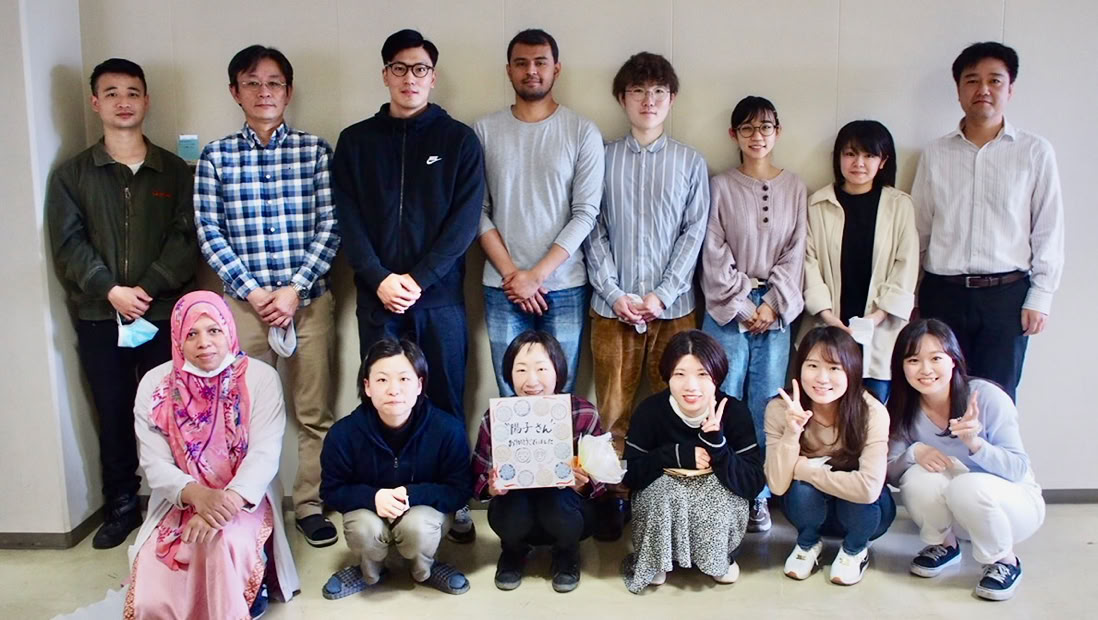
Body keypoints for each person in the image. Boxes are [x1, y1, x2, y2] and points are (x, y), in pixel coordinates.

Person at [46, 58, 197, 549]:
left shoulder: (174, 171)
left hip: (164, 314)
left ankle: (176, 502)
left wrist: (147, 288)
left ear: (146, 100)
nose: (123, 102)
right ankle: (122, 504)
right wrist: (111, 290)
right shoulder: (73, 176)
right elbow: (68, 245)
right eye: (111, 93)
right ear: (95, 103)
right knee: (112, 413)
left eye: (132, 92)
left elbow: (187, 238)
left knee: (173, 412)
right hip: (99, 315)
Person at [195, 44, 341, 547]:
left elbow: (332, 225)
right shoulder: (215, 156)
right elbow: (209, 231)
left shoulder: (315, 151)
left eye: (274, 82)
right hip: (242, 309)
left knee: (314, 413)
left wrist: (294, 289)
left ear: (289, 91)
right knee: (239, 412)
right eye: (252, 83)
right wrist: (254, 291)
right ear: (235, 92)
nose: (264, 92)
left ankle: (310, 505)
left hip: (309, 303)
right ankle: (247, 507)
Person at [332, 28, 484, 427]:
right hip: (378, 299)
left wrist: (419, 280)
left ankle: (449, 473)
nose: (409, 78)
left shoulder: (459, 141)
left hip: (440, 300)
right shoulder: (355, 142)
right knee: (383, 406)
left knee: (446, 404)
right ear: (385, 75)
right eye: (399, 68)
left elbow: (464, 224)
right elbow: (348, 220)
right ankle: (386, 472)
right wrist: (380, 278)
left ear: (433, 77)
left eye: (420, 69)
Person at [124, 291, 299, 619]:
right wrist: (197, 496)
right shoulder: (156, 384)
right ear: (178, 337)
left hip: (243, 497)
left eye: (214, 330)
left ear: (229, 330)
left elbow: (264, 453)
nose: (204, 342)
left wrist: (222, 504)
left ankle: (249, 589)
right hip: (180, 499)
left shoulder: (259, 377)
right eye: (191, 333)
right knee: (152, 585)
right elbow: (154, 462)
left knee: (220, 544)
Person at [912, 41, 1064, 401]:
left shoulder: (1034, 152)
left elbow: (1048, 228)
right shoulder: (935, 153)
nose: (983, 89)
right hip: (942, 294)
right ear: (958, 90)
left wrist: (1041, 296)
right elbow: (919, 230)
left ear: (1010, 90)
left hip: (1006, 297)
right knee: (938, 396)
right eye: (972, 80)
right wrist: (912, 296)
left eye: (994, 80)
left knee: (996, 400)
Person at [585, 51, 709, 452]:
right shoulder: (601, 157)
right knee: (611, 416)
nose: (648, 100)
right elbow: (591, 228)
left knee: (681, 410)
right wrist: (613, 293)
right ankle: (614, 485)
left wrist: (663, 294)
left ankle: (675, 480)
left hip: (675, 310)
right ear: (622, 98)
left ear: (672, 98)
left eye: (658, 91)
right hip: (612, 310)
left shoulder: (690, 162)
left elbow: (694, 233)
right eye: (637, 90)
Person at [475, 28, 604, 396]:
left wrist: (536, 276)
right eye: (521, 63)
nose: (531, 70)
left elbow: (585, 213)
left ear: (556, 69)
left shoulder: (582, 131)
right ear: (509, 70)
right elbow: (476, 211)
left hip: (564, 286)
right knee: (511, 396)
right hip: (502, 286)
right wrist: (513, 275)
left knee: (559, 396)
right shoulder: (484, 131)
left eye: (540, 62)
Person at [701, 95, 807, 533]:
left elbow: (797, 252)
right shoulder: (719, 185)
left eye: (765, 127)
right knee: (724, 398)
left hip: (776, 309)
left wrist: (771, 303)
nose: (756, 136)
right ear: (734, 135)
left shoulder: (795, 187)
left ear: (777, 132)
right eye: (747, 128)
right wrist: (745, 304)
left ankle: (758, 495)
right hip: (728, 307)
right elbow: (712, 250)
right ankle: (724, 490)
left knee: (767, 403)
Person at [887, 319, 1044, 601]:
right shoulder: (903, 407)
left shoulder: (986, 397)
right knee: (918, 476)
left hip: (1012, 509)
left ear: (953, 360)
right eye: (913, 360)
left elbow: (1018, 469)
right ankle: (945, 545)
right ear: (901, 367)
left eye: (936, 358)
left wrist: (975, 444)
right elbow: (889, 472)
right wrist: (915, 452)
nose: (925, 369)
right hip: (960, 515)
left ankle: (1005, 561)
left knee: (966, 485)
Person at [320, 339, 473, 598]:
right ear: (367, 386)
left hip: (421, 510)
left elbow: (459, 490)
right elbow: (331, 490)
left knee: (418, 528)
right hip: (368, 511)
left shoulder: (448, 430)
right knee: (362, 529)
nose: (394, 390)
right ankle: (369, 571)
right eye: (382, 380)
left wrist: (411, 494)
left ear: (419, 385)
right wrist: (373, 498)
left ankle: (426, 569)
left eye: (404, 379)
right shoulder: (343, 434)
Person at [621, 330, 765, 593]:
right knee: (665, 493)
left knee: (716, 495)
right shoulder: (650, 410)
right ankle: (656, 559)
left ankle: (717, 557)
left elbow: (753, 483)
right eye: (680, 374)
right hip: (665, 495)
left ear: (717, 376)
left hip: (716, 495)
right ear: (667, 376)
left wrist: (718, 447)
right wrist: (676, 454)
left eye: (702, 374)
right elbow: (631, 475)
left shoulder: (734, 412)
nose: (691, 386)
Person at [472, 330, 607, 593]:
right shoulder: (497, 417)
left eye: (542, 369)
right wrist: (491, 487)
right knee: (512, 505)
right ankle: (513, 551)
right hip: (516, 511)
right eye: (521, 370)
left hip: (566, 511)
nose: (531, 380)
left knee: (558, 501)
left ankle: (567, 553)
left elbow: (603, 484)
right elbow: (477, 477)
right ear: (509, 374)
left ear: (558, 370)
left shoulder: (583, 412)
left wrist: (583, 484)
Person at [764, 326, 895, 586]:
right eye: (812, 366)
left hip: (863, 514)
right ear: (800, 367)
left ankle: (855, 549)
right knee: (800, 490)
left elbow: (869, 489)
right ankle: (808, 544)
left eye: (834, 368)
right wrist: (791, 433)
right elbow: (777, 485)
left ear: (852, 371)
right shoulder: (780, 408)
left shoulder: (871, 411)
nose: (822, 378)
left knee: (858, 495)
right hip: (810, 512)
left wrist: (806, 470)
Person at [802, 120, 918, 403]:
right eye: (850, 154)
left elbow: (906, 266)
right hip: (827, 325)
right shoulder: (818, 204)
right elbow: (807, 262)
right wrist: (829, 317)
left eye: (869, 155)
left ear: (883, 161)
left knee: (873, 413)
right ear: (838, 157)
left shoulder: (899, 205)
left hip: (880, 330)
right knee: (824, 411)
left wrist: (876, 317)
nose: (859, 163)